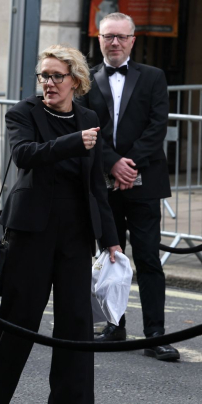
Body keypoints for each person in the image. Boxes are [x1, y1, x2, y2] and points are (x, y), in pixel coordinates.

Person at [0, 44, 121, 404]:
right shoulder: (25, 112)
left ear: (75, 80)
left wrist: (110, 239)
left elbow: (97, 184)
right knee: (17, 322)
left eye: (56, 76)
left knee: (76, 325)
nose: (49, 83)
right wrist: (72, 143)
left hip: (76, 233)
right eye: (44, 76)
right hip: (31, 231)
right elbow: (24, 155)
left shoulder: (88, 117)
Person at [76, 12, 179, 361]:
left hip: (145, 182)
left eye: (121, 37)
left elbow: (157, 127)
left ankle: (155, 335)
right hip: (105, 185)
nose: (115, 42)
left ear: (133, 40)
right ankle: (114, 326)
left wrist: (128, 164)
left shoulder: (154, 77)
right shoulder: (87, 82)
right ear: (99, 39)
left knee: (149, 259)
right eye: (108, 37)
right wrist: (113, 164)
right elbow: (87, 128)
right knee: (110, 258)